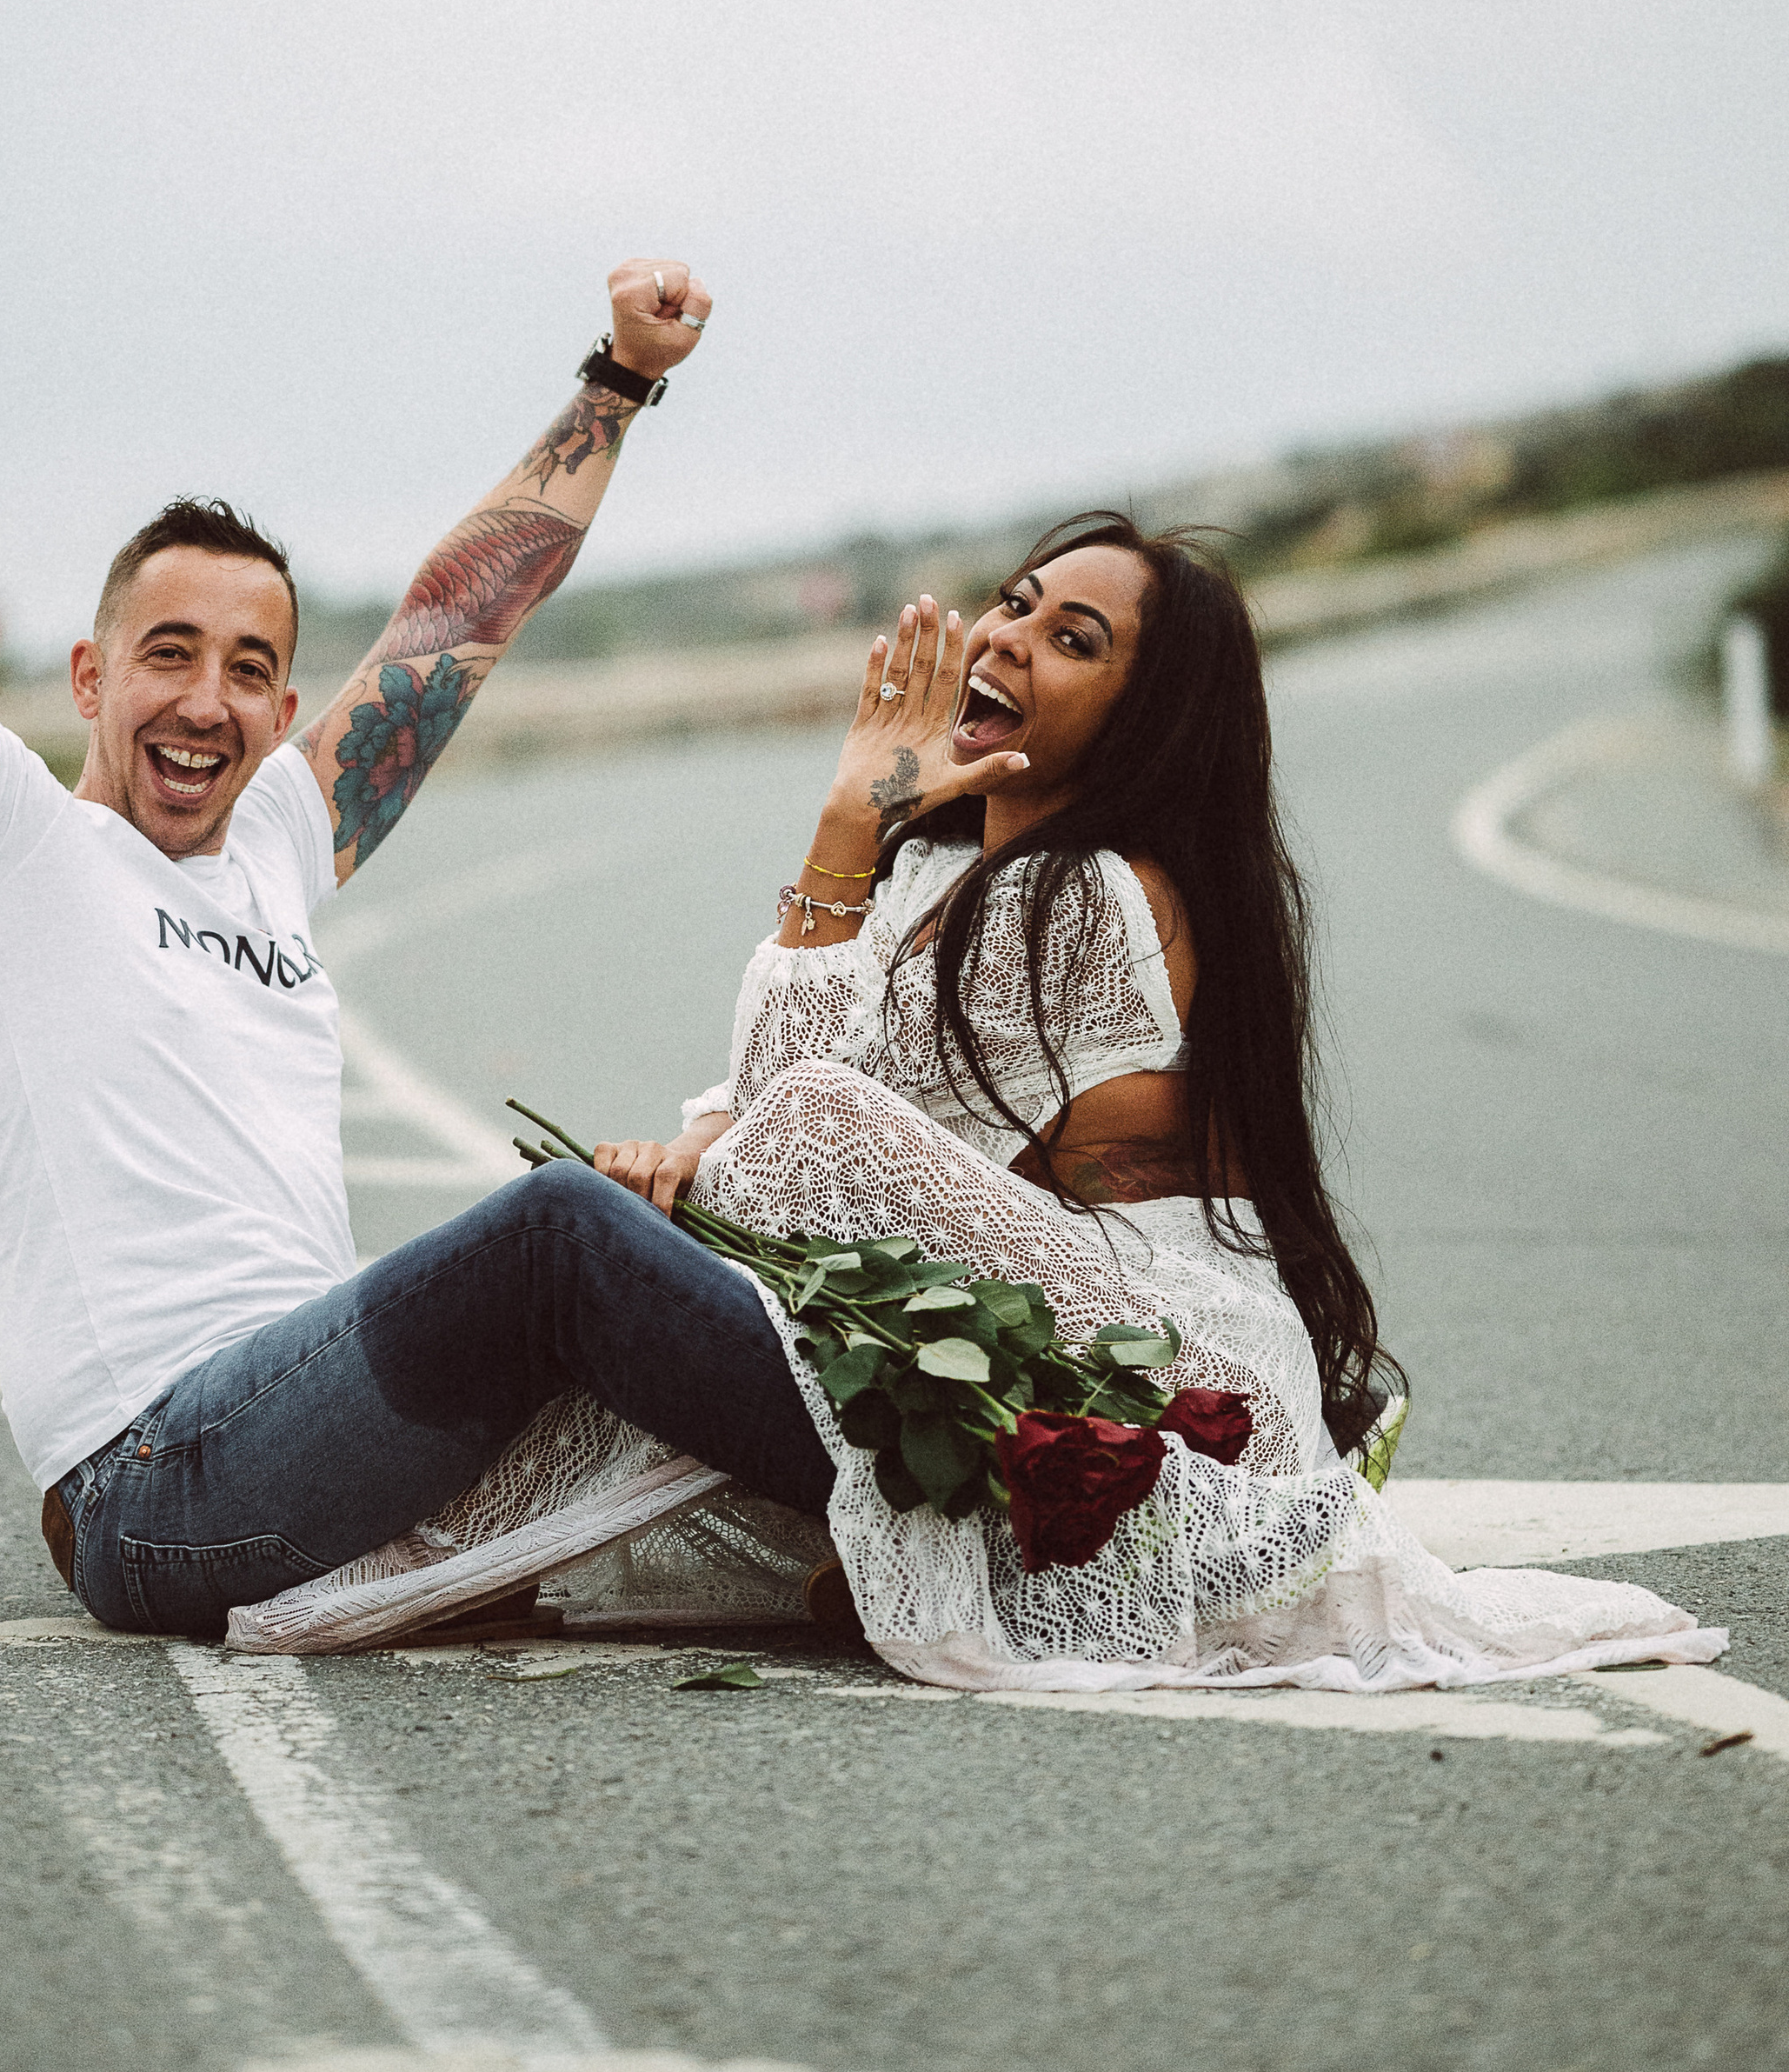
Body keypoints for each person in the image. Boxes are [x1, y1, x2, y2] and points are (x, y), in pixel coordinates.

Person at [232, 518, 1721, 1694]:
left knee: (769, 1161)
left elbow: (804, 1144)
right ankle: (404, 1533)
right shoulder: (955, 883)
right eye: (1015, 602)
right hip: (1061, 1357)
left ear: (1145, 720)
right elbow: (773, 1127)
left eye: (1074, 639)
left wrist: (834, 840)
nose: (1006, 636)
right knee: (717, 1211)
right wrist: (717, 1134)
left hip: (1165, 1375)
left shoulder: (1083, 895)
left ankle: (368, 1533)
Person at [0, 110, 834, 1636]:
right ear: (90, 676)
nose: (207, 702)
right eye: (169, 655)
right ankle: (954, 1498)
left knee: (696, 1213)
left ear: (284, 715)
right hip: (155, 1477)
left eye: (250, 670)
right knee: (562, 1231)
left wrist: (618, 382)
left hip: (305, 1422)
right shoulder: (5, 851)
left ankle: (937, 1477)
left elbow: (459, 620)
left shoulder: (276, 845)